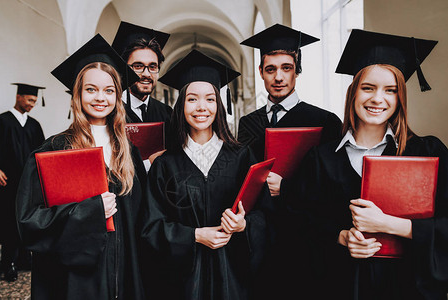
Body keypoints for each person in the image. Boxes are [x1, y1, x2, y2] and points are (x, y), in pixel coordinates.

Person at [289, 29, 448, 299]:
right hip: (341, 286)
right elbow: (301, 224)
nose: (377, 99)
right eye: (368, 88)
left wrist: (389, 224)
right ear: (353, 92)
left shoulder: (427, 153)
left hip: (408, 288)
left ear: (400, 99)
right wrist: (341, 236)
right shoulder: (320, 159)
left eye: (390, 90)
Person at [16, 34, 146, 299]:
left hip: (125, 276)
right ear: (78, 93)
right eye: (91, 89)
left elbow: (144, 218)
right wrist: (90, 210)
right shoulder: (54, 149)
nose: (101, 97)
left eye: (109, 90)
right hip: (75, 282)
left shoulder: (128, 151)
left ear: (118, 95)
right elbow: (29, 221)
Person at [139, 49, 272, 300]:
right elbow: (150, 228)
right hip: (183, 285)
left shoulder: (241, 158)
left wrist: (244, 225)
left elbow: (265, 215)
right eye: (192, 99)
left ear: (219, 105)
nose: (202, 107)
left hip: (233, 279)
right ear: (181, 105)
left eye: (210, 99)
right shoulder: (165, 164)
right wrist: (195, 235)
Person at [238, 23, 343, 299]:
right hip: (262, 232)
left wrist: (289, 186)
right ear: (261, 72)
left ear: (297, 70)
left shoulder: (324, 121)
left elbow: (335, 185)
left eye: (286, 67)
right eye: (270, 69)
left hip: (307, 231)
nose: (279, 77)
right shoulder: (248, 124)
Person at [0, 83, 45, 281]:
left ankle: (24, 259)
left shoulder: (34, 125)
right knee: (8, 221)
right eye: (29, 99)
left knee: (25, 220)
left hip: (27, 185)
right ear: (19, 97)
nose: (32, 104)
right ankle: (7, 263)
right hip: (7, 183)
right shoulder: (2, 121)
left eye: (34, 101)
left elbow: (41, 153)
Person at [112, 21, 172, 171]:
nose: (146, 74)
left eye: (152, 67)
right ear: (124, 68)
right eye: (138, 66)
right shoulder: (111, 111)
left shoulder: (166, 113)